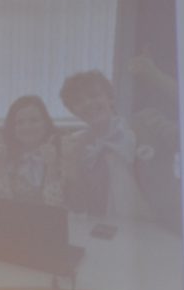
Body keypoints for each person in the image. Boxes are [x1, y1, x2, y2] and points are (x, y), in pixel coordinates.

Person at [58, 70, 143, 218]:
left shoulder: (145, 125)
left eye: (94, 95)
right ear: (74, 111)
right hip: (105, 227)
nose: (88, 103)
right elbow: (78, 206)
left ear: (110, 98)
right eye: (78, 101)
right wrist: (70, 165)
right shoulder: (78, 147)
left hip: (157, 225)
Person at [0, 94, 64, 206]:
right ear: (12, 128)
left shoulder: (63, 154)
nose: (27, 127)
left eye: (34, 120)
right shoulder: (3, 155)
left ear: (46, 123)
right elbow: (0, 205)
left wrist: (52, 167)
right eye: (20, 122)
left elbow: (56, 206)